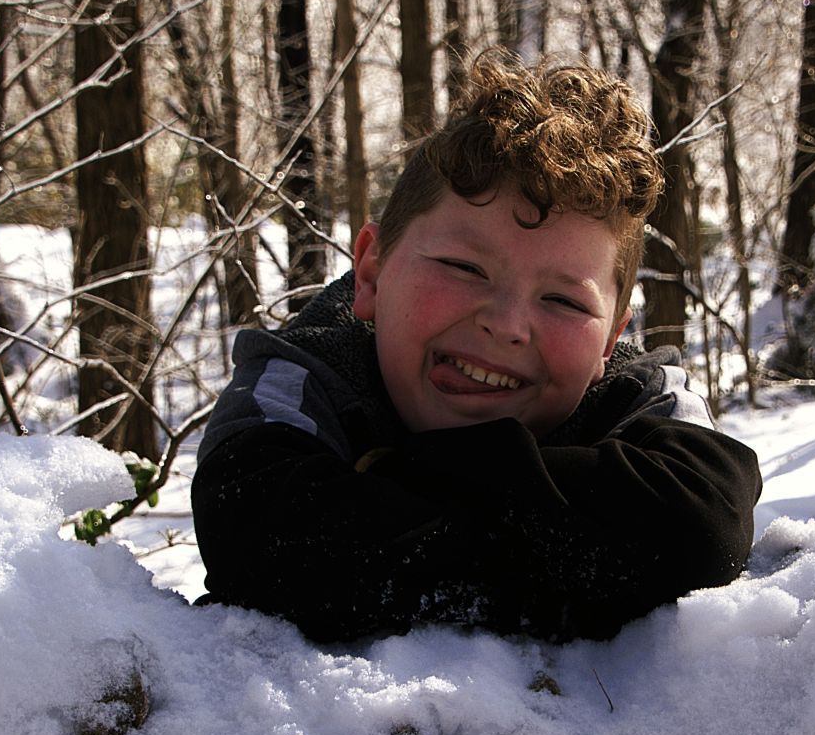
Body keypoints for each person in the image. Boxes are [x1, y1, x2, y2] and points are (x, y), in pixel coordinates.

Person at [191, 50, 761, 643]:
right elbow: (258, 537)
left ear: (611, 341)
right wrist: (568, 544)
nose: (507, 324)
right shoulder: (301, 374)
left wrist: (400, 489)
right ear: (370, 273)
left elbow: (703, 530)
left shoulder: (645, 396)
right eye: (464, 267)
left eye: (565, 302)